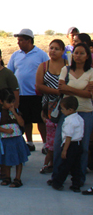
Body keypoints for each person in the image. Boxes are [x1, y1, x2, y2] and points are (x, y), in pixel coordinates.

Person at [50, 43, 93, 191]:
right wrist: (79, 90)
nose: (78, 56)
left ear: (87, 56)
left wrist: (70, 89)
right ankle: (57, 176)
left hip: (85, 111)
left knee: (83, 147)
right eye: (76, 53)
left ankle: (79, 178)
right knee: (58, 144)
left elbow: (89, 95)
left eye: (82, 53)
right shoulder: (66, 70)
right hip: (66, 113)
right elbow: (61, 88)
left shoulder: (91, 72)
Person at [7, 29, 49, 151]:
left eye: (20, 40)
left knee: (40, 120)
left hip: (37, 94)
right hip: (21, 95)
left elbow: (47, 71)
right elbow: (10, 73)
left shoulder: (41, 54)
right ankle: (29, 142)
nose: (18, 43)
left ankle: (46, 144)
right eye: (18, 40)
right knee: (25, 120)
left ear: (29, 41)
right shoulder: (15, 55)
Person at [35, 39, 66, 172]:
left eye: (56, 48)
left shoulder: (68, 65)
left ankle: (65, 164)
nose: (53, 51)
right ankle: (51, 163)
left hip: (66, 106)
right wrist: (58, 92)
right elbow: (39, 86)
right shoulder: (44, 66)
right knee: (51, 136)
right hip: (49, 107)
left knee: (65, 134)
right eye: (51, 48)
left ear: (63, 51)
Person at [0, 88, 30, 188]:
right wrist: (6, 131)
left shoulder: (16, 111)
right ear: (1, 102)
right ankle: (7, 177)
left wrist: (14, 113)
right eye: (8, 102)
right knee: (6, 160)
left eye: (12, 102)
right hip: (5, 140)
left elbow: (22, 123)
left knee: (19, 160)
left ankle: (18, 179)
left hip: (17, 140)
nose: (11, 105)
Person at [51, 96, 84, 192]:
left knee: (64, 166)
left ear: (70, 110)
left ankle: (57, 182)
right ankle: (76, 184)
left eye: (63, 109)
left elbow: (68, 136)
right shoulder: (79, 118)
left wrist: (65, 150)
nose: (61, 111)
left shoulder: (69, 121)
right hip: (78, 144)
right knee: (76, 166)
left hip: (70, 145)